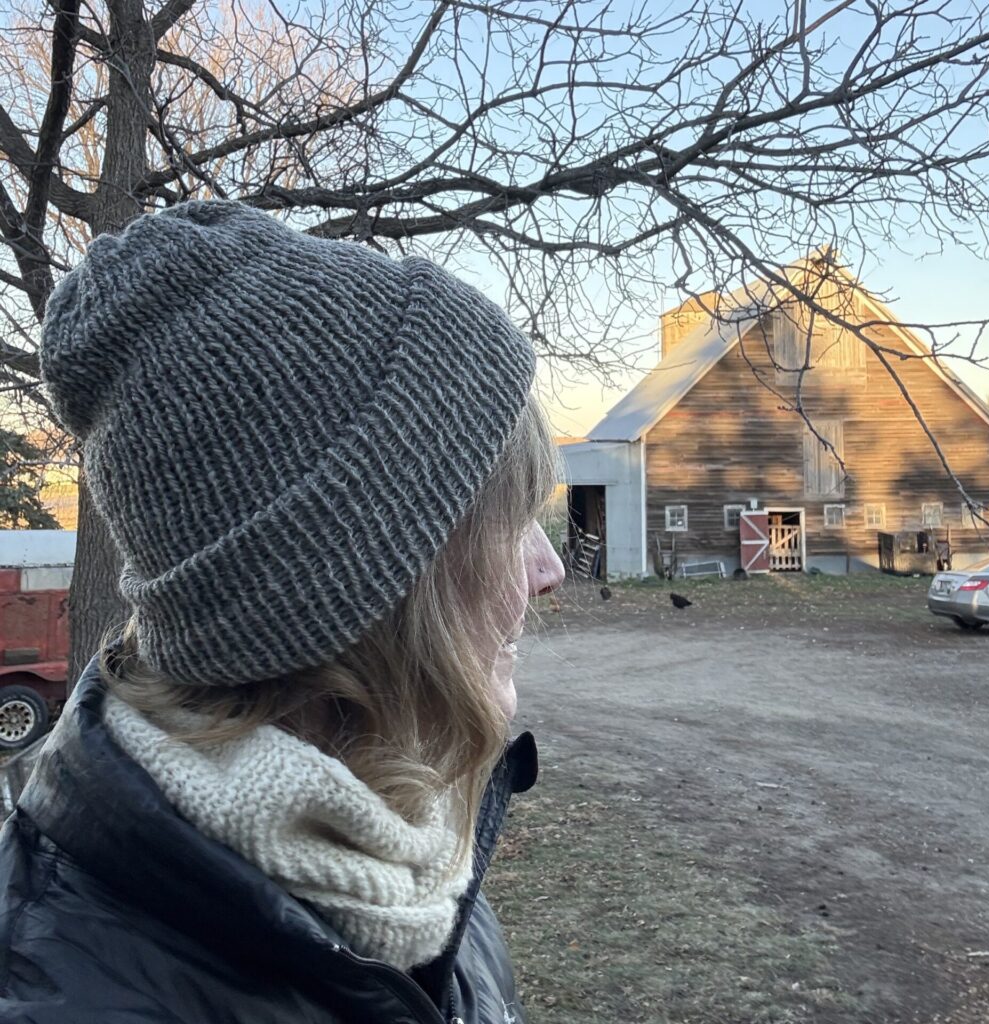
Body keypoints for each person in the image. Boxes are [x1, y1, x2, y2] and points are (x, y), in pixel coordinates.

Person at [0, 199, 565, 1023]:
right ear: (355, 584)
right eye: (506, 523)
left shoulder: (414, 866)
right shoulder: (64, 993)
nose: (549, 569)